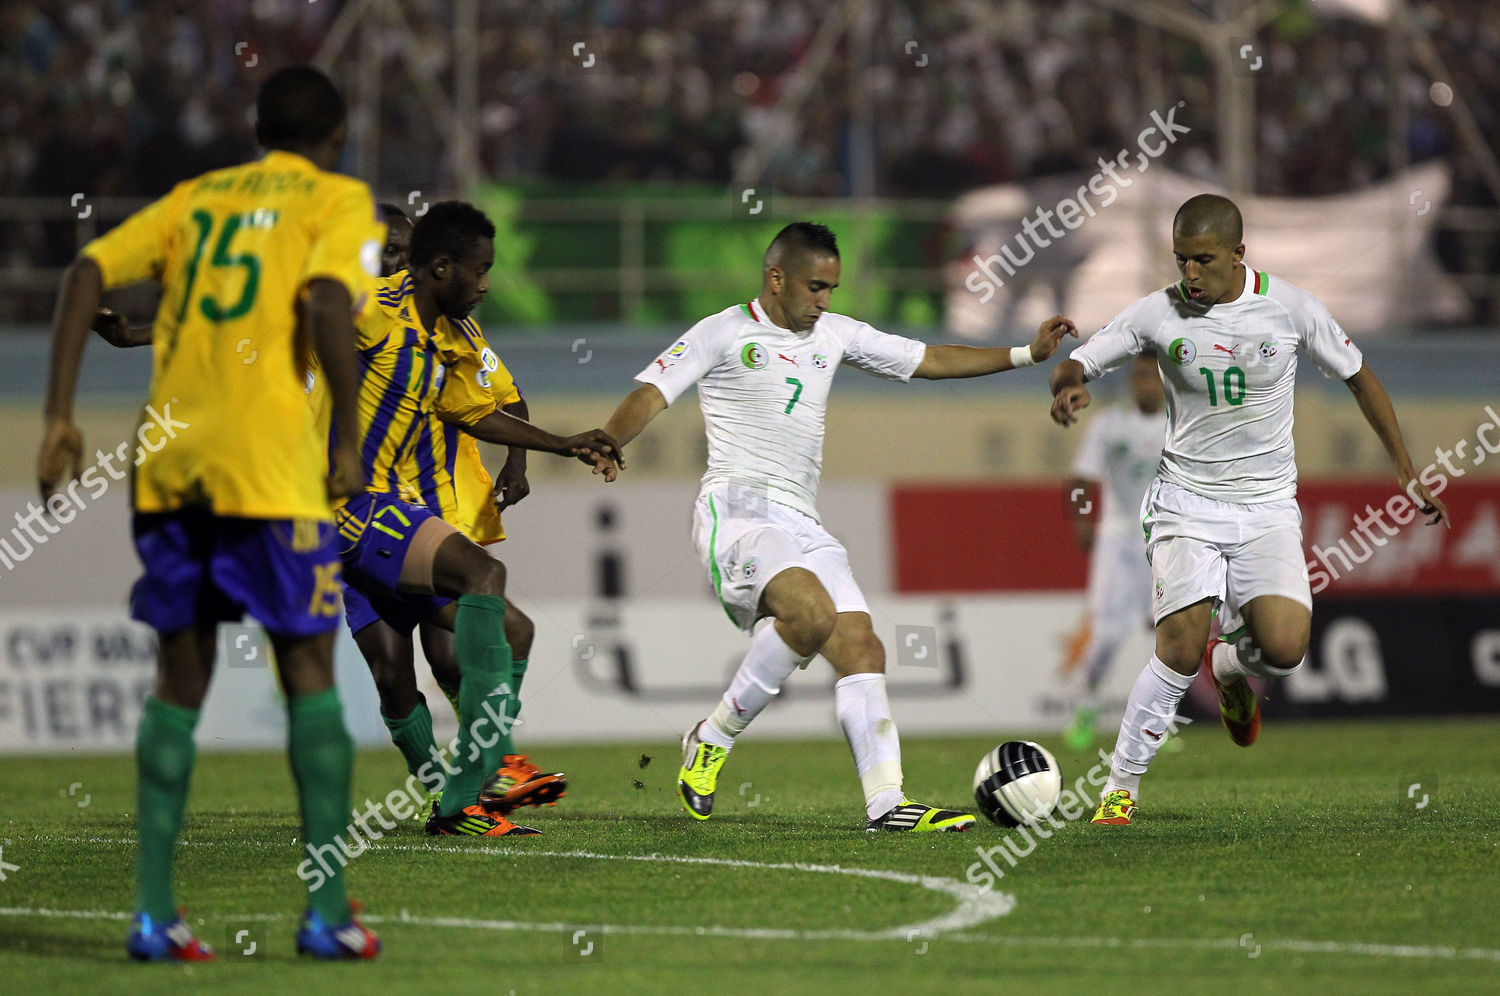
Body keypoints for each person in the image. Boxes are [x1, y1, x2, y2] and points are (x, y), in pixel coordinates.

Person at [38, 65, 383, 961]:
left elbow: (84, 272)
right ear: (334, 137)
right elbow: (325, 300)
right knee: (308, 670)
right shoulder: (338, 200)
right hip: (269, 468)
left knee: (177, 681)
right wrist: (347, 436)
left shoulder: (195, 198)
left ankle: (154, 917)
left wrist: (60, 420)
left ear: (259, 130)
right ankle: (327, 916)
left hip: (172, 465)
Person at [602, 222, 1074, 832]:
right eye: (815, 287)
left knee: (861, 647)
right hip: (738, 509)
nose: (824, 300)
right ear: (777, 279)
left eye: (831, 288)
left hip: (801, 515)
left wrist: (1025, 355)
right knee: (812, 614)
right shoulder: (721, 332)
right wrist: (610, 440)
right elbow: (651, 392)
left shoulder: (835, 332)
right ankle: (714, 738)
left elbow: (927, 357)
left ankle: (887, 806)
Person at [1048, 193, 1449, 827]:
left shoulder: (1290, 309)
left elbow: (1361, 376)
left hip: (1265, 507)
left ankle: (1232, 666)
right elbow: (1080, 362)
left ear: (1238, 253)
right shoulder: (1160, 311)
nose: (1189, 274)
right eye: (1181, 260)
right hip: (1185, 501)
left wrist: (1403, 465)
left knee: (1286, 648)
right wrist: (1068, 385)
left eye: (1202, 260)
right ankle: (1118, 788)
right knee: (1177, 646)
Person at [335, 200, 619, 837]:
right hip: (341, 507)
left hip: (396, 508)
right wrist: (140, 333)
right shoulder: (366, 308)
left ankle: (467, 790)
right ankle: (472, 788)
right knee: (480, 578)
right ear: (441, 268)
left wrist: (564, 443)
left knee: (513, 631)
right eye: (480, 270)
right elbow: (268, 315)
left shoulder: (454, 337)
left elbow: (477, 410)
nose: (487, 284)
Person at [1060, 351, 1165, 750]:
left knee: (1166, 632)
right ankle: (1086, 706)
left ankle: (1157, 721)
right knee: (1106, 634)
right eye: (1137, 375)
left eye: (1150, 376)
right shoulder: (1110, 425)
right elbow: (1079, 481)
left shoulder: (1180, 425)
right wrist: (1083, 521)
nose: (1143, 383)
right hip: (1117, 539)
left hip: (1164, 538)